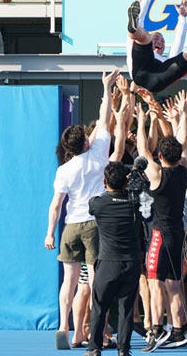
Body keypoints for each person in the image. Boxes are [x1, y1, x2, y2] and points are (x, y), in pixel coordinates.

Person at [44, 70, 124, 349]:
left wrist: (50, 234)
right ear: (86, 142)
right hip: (93, 224)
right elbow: (104, 119)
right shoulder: (99, 154)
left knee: (69, 280)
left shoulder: (64, 169)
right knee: (96, 280)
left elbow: (56, 205)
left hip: (70, 225)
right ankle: (98, 329)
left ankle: (63, 326)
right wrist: (106, 86)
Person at [136, 103, 187, 351]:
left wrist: (141, 120)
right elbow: (183, 143)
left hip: (160, 234)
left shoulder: (157, 173)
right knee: (174, 283)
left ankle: (156, 329)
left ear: (160, 156)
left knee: (156, 283)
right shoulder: (184, 171)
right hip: (178, 232)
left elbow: (141, 150)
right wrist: (182, 116)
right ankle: (178, 330)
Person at [84, 162, 143, 356]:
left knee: (99, 307)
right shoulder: (134, 202)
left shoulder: (98, 204)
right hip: (131, 263)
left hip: (108, 263)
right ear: (126, 183)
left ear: (104, 181)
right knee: (126, 309)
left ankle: (94, 348)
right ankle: (123, 350)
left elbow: (92, 204)